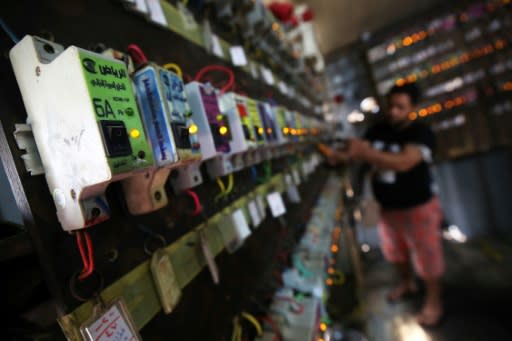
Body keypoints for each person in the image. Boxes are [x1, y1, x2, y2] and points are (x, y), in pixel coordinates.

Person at [327, 83, 444, 326]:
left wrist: (364, 152)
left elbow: (403, 162)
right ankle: (407, 283)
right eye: (390, 105)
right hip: (388, 208)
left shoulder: (420, 133)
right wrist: (340, 156)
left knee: (428, 256)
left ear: (413, 107)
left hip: (418, 206)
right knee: (396, 253)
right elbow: (358, 154)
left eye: (400, 107)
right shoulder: (377, 130)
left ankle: (434, 302)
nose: (393, 112)